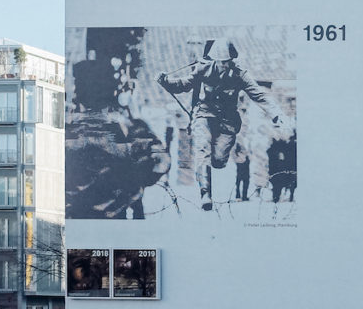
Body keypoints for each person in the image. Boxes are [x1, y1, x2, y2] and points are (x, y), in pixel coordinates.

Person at [158, 38, 284, 211]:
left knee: (218, 161)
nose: (224, 65)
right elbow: (184, 84)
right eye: (221, 62)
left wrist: (276, 113)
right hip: (205, 114)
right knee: (203, 150)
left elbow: (258, 95)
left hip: (228, 121)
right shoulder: (203, 69)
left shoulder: (240, 74)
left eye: (227, 62)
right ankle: (205, 194)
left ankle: (212, 173)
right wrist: (166, 81)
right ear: (214, 60)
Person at [66, 58, 170, 219]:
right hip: (116, 220)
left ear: (77, 93)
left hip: (74, 221)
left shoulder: (66, 131)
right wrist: (133, 186)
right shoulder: (131, 128)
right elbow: (160, 161)